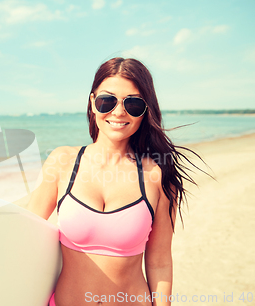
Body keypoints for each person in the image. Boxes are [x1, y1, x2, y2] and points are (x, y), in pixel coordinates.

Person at [27, 57, 203, 306]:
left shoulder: (158, 176)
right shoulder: (61, 161)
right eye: (107, 100)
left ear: (145, 111)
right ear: (92, 102)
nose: (119, 112)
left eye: (133, 104)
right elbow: (24, 231)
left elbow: (160, 262)